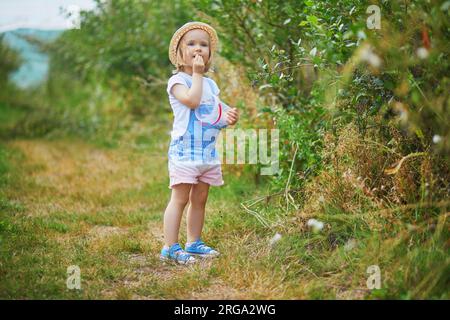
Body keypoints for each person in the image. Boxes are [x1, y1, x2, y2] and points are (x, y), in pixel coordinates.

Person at [160, 22, 239, 264]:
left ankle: (194, 241)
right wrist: (196, 73)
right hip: (185, 151)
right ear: (179, 53)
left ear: (209, 54)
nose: (198, 49)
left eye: (203, 45)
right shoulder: (178, 82)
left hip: (206, 152)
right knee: (180, 198)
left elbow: (213, 113)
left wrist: (228, 118)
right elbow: (192, 102)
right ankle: (170, 247)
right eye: (191, 44)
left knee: (200, 199)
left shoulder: (211, 85)